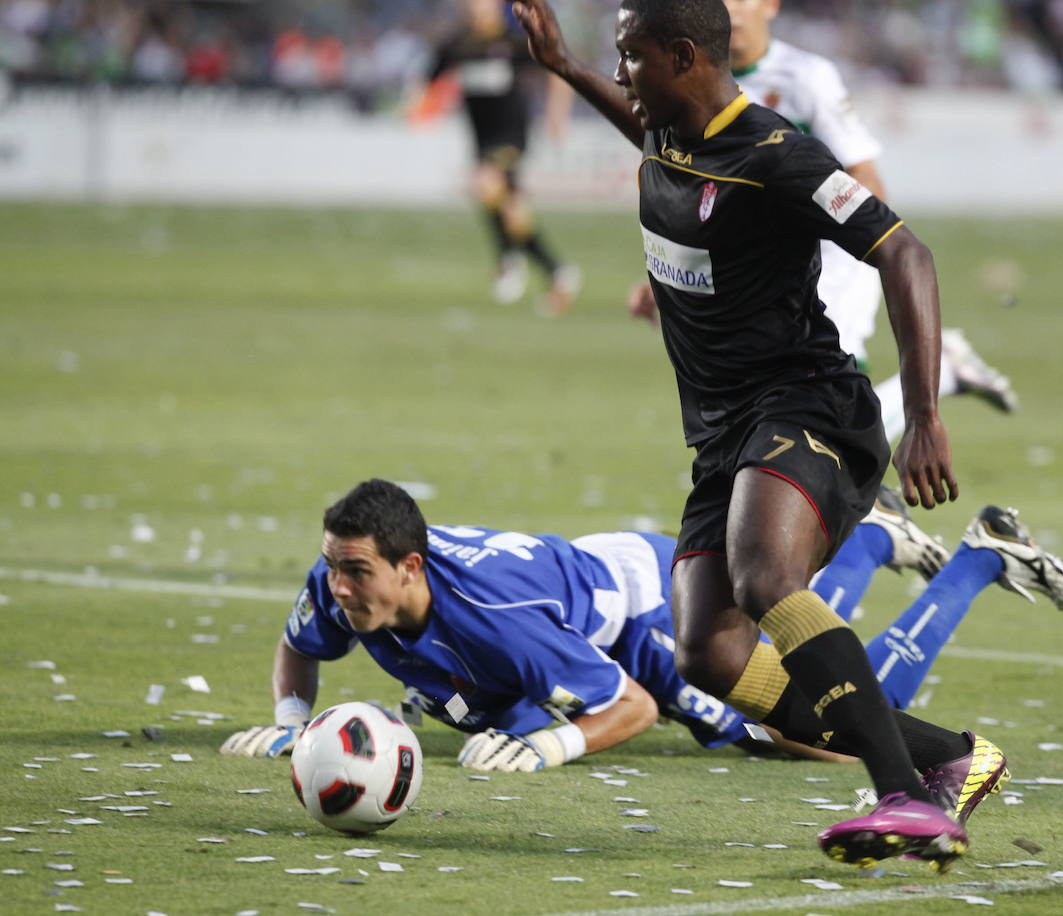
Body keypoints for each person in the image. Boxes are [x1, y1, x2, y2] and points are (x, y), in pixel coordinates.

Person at [505, 0, 1002, 869]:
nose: (621, 73)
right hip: (723, 433)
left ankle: (905, 798)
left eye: (629, 56)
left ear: (684, 55)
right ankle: (945, 755)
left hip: (808, 406)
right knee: (707, 649)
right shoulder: (671, 135)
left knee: (765, 576)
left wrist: (924, 413)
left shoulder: (777, 154)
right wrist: (564, 69)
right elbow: (646, 132)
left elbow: (904, 251)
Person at [222, 479, 1063, 805]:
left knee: (827, 722)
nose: (337, 589)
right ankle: (868, 538)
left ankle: (973, 557)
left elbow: (625, 703)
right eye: (335, 571)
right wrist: (296, 719)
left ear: (409, 567)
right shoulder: (345, 579)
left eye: (355, 575)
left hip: (642, 611)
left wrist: (556, 743)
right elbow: (301, 641)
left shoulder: (499, 620)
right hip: (579, 598)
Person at [627, 0, 1019, 430]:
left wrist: (861, 240)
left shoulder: (807, 78)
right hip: (762, 265)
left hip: (831, 261)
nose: (733, 9)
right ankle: (941, 381)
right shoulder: (696, 84)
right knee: (810, 418)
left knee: (824, 406)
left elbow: (864, 174)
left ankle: (927, 400)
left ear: (771, 6)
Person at [410, 0, 582, 314]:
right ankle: (555, 272)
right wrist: (419, 108)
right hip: (481, 140)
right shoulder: (458, 44)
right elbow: (427, 83)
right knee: (511, 210)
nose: (475, 7)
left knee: (487, 186)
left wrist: (557, 113)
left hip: (511, 136)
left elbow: (558, 70)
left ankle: (510, 261)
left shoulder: (513, 41)